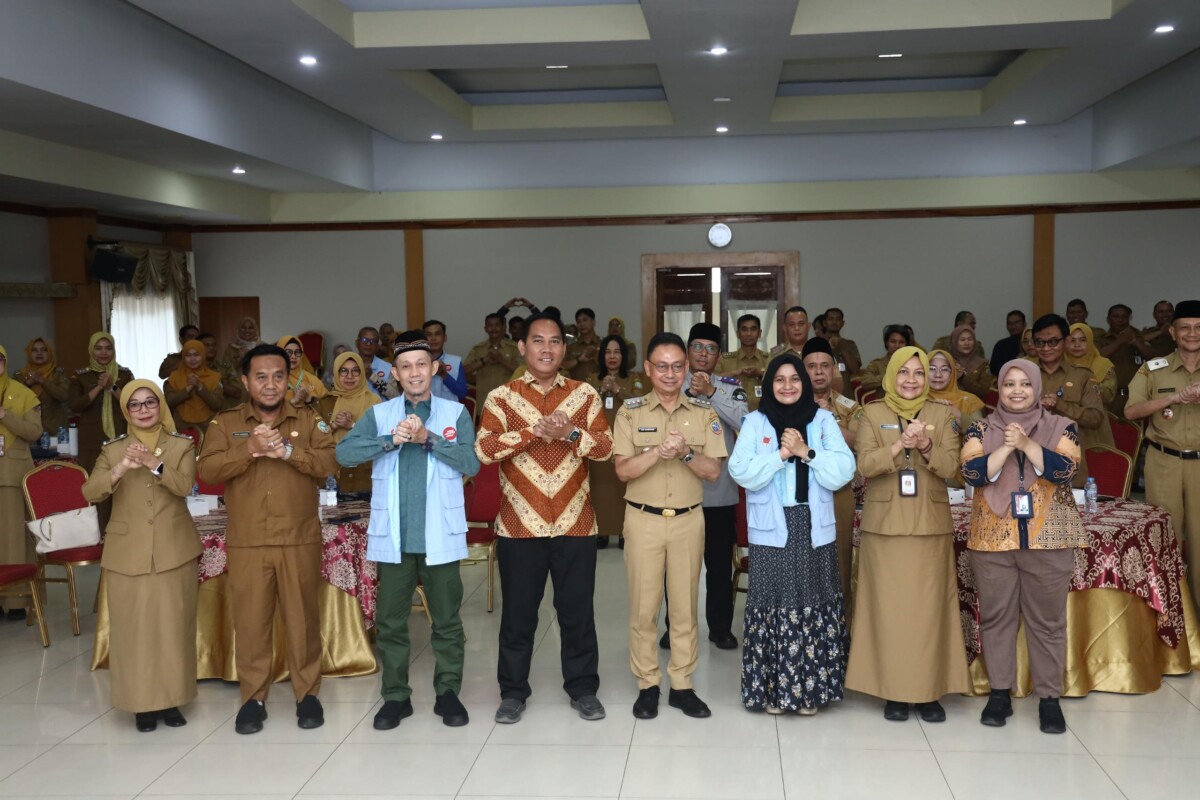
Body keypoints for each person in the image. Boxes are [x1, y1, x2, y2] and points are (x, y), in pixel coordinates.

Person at [475, 314, 614, 724]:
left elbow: (604, 448)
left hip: (576, 523)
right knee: (518, 614)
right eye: (538, 341)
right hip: (520, 525)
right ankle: (513, 692)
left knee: (577, 613)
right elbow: (485, 449)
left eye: (555, 341)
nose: (547, 349)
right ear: (522, 348)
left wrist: (570, 432)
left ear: (564, 350)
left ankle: (583, 689)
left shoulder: (585, 395)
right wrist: (535, 432)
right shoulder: (501, 398)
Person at [336, 333, 479, 729]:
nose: (414, 372)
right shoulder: (380, 415)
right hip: (394, 540)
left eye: (422, 364)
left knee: (447, 622)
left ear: (434, 369)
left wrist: (427, 439)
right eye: (406, 367)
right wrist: (388, 442)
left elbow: (472, 463)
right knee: (393, 623)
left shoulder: (455, 415)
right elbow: (344, 453)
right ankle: (396, 696)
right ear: (395, 374)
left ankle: (448, 692)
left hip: (440, 536)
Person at [198, 343, 339, 735]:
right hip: (248, 540)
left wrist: (288, 451)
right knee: (252, 622)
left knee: (303, 620)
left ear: (288, 378)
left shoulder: (310, 418)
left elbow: (330, 461)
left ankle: (307, 694)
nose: (271, 384)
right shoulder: (225, 423)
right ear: (245, 381)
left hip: (299, 537)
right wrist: (250, 449)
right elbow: (207, 469)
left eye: (279, 376)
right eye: (261, 376)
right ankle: (253, 698)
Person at [960, 361, 1086, 734]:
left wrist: (1029, 444)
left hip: (1048, 536)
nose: (1017, 391)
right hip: (992, 537)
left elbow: (1064, 471)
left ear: (1036, 387)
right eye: (1009, 384)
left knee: (1048, 622)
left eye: (1025, 385)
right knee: (997, 617)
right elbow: (971, 472)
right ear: (998, 388)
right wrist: (1005, 447)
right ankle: (999, 692)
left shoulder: (1062, 426)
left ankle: (1049, 698)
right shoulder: (980, 427)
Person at [846, 346, 969, 722]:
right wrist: (900, 445)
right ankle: (893, 692)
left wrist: (928, 445)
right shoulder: (872, 414)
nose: (912, 380)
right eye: (904, 373)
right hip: (885, 527)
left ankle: (929, 691)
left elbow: (953, 469)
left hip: (930, 524)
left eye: (919, 373)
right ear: (891, 375)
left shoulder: (943, 414)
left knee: (930, 613)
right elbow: (865, 464)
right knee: (888, 611)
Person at [729, 353, 856, 714]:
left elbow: (844, 470)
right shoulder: (754, 423)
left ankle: (810, 692)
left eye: (794, 379)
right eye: (780, 379)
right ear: (769, 384)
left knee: (812, 602)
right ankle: (772, 692)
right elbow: (740, 471)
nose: (787, 386)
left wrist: (807, 452)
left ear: (805, 383)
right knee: (774, 604)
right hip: (772, 529)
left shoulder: (824, 420)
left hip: (812, 526)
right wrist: (781, 456)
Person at [614, 332, 727, 720]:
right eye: (661, 366)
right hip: (643, 520)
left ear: (686, 369)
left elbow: (713, 472)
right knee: (643, 609)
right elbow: (623, 470)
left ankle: (681, 684)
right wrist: (657, 454)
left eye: (677, 366)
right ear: (647, 368)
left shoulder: (703, 412)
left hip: (688, 520)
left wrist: (685, 452)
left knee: (683, 608)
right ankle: (648, 683)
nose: (669, 373)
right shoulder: (630, 412)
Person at [81, 380, 201, 732]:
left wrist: (153, 463)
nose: (145, 409)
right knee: (133, 630)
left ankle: (172, 700)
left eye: (151, 402)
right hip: (127, 550)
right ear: (126, 411)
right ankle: (141, 706)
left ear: (161, 405)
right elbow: (90, 491)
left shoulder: (181, 445)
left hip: (173, 548)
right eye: (136, 405)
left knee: (172, 628)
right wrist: (120, 469)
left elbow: (184, 487)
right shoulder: (113, 449)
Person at [660, 323, 748, 648]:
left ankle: (720, 628)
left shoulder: (730, 388)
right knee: (678, 569)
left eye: (711, 349)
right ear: (687, 351)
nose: (703, 354)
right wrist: (689, 392)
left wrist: (710, 393)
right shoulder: (670, 386)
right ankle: (676, 628)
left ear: (719, 356)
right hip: (678, 492)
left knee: (718, 569)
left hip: (719, 495)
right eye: (697, 347)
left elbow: (744, 423)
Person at [1125, 299, 1200, 604]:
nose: (1192, 333)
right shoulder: (1153, 369)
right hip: (1163, 462)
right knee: (1163, 539)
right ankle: (1167, 611)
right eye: (1185, 328)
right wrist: (1174, 399)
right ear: (1172, 332)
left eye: (1198, 328)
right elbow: (1131, 411)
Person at [802, 337, 863, 604]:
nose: (818, 371)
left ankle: (842, 630)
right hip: (799, 492)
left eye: (824, 365)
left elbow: (863, 442)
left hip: (838, 494)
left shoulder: (849, 407)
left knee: (840, 561)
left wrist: (827, 420)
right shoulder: (790, 404)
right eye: (811, 366)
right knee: (801, 562)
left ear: (833, 369)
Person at [1030, 314, 1111, 484]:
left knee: (1071, 510)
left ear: (1065, 341)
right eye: (1040, 342)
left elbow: (1095, 418)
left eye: (1053, 342)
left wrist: (1061, 406)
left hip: (1069, 464)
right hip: (1028, 464)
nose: (1046, 348)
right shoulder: (1023, 374)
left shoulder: (1083, 376)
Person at [589, 335, 647, 549]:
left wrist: (617, 390)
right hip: (599, 443)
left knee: (624, 487)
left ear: (624, 356)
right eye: (608, 352)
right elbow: (582, 406)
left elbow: (640, 404)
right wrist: (601, 391)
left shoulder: (634, 378)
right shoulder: (592, 378)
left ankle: (625, 533)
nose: (612, 357)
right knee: (600, 488)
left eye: (617, 352)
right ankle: (601, 532)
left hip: (626, 442)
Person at [0, 344, 42, 618]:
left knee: (12, 539)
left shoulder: (23, 394)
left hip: (10, 475)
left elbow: (34, 432)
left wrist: (5, 415)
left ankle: (15, 602)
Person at [68, 332, 135, 473]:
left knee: (121, 481)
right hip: (90, 438)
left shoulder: (124, 374)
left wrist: (112, 386)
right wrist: (99, 387)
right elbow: (75, 405)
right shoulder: (81, 376)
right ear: (91, 350)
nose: (104, 352)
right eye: (98, 348)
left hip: (119, 435)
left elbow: (132, 404)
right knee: (91, 480)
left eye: (108, 348)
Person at [316, 352, 381, 493]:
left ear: (362, 373)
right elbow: (315, 439)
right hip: (332, 474)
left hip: (364, 473)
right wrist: (334, 425)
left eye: (355, 371)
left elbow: (380, 439)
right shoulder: (325, 402)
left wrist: (352, 425)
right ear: (336, 374)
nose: (349, 376)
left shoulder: (374, 401)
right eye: (344, 371)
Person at [464, 313, 522, 419]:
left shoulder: (514, 348)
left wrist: (501, 360)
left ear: (504, 328)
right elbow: (464, 371)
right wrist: (483, 360)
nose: (493, 328)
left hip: (509, 404)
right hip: (484, 404)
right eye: (490, 325)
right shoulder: (478, 349)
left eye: (497, 325)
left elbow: (524, 373)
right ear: (485, 328)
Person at [163, 340, 224, 431]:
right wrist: (187, 389)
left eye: (196, 355)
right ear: (183, 357)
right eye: (188, 355)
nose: (192, 359)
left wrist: (200, 387)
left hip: (209, 427)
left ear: (203, 356)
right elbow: (168, 402)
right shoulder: (174, 377)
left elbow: (217, 404)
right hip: (181, 427)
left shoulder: (214, 377)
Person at [15, 337, 69, 436]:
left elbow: (64, 396)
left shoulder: (58, 373)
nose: (39, 353)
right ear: (29, 353)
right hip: (28, 427)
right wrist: (27, 384)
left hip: (55, 427)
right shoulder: (20, 375)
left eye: (44, 350)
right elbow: (14, 399)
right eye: (34, 350)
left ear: (49, 353)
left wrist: (43, 381)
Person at [717, 313, 768, 412]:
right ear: (737, 333)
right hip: (731, 419)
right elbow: (713, 380)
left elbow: (779, 380)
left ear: (760, 333)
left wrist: (760, 374)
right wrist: (734, 373)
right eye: (744, 329)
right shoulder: (725, 360)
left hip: (764, 417)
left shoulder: (769, 358)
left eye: (753, 329)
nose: (749, 333)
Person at [927, 350, 986, 432]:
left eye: (944, 369)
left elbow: (981, 434)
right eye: (932, 369)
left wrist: (954, 412)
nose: (938, 375)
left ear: (953, 373)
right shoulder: (917, 398)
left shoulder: (969, 401)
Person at [1066, 324, 1117, 408]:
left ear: (1090, 341)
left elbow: (1108, 397)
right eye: (1072, 340)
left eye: (1082, 340)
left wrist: (1088, 383)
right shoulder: (1058, 363)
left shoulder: (1103, 365)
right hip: (1063, 417)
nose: (1077, 345)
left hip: (1095, 416)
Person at [858, 324, 912, 393]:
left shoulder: (914, 364)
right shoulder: (877, 364)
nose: (897, 345)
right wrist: (889, 376)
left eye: (901, 342)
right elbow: (865, 383)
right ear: (886, 343)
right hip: (884, 402)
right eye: (893, 341)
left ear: (906, 345)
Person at [422, 320, 467, 402]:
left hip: (449, 413)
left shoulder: (455, 361)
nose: (433, 338)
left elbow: (462, 393)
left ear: (445, 338)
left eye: (438, 334)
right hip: (424, 412)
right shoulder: (417, 364)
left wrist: (444, 376)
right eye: (429, 335)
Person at [276, 335, 327, 407]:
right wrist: (293, 401)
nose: (293, 356)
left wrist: (310, 399)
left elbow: (328, 407)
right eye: (288, 352)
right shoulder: (272, 380)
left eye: (297, 352)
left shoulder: (312, 380)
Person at [199, 332, 245, 410]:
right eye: (207, 345)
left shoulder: (225, 367)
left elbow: (237, 392)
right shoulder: (192, 369)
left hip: (221, 414)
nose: (211, 348)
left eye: (214, 345)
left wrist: (217, 382)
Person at [948, 324, 993, 399]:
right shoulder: (946, 361)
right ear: (955, 342)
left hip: (974, 405)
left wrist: (963, 377)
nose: (967, 343)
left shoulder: (983, 364)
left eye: (970, 339)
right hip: (948, 403)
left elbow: (984, 391)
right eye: (962, 340)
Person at [563, 307, 603, 383]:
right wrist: (579, 359)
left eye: (585, 320)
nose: (582, 324)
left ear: (593, 322)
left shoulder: (603, 343)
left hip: (599, 388)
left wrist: (595, 356)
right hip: (576, 388)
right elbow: (562, 366)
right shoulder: (570, 345)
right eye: (578, 322)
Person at [354, 326, 393, 398]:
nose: (368, 344)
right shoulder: (347, 365)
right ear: (357, 342)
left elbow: (394, 395)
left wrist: (372, 377)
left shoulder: (388, 367)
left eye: (373, 341)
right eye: (364, 340)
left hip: (380, 408)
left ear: (378, 346)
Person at [823, 307, 862, 377]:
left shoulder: (850, 344)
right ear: (825, 323)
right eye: (830, 319)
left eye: (838, 319)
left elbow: (855, 370)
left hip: (846, 385)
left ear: (842, 323)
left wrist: (843, 348)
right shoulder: (817, 343)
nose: (834, 322)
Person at [990, 310, 1028, 376]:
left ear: (1024, 324)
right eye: (1010, 323)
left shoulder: (1032, 344)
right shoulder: (1001, 345)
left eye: (1016, 323)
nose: (1013, 326)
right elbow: (994, 369)